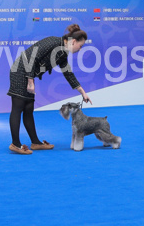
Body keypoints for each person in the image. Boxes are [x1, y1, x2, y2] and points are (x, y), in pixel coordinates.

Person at [7, 24, 91, 155]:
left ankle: (35, 142)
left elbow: (68, 73)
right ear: (74, 41)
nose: (80, 49)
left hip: (28, 74)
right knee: (18, 107)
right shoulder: (53, 41)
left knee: (28, 108)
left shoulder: (62, 53)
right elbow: (31, 57)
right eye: (80, 46)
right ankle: (15, 144)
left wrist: (83, 92)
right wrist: (30, 80)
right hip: (20, 71)